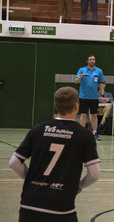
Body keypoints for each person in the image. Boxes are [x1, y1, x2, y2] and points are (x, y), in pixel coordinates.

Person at [9, 87, 100, 221]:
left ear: (55, 105)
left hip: (29, 206)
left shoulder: (37, 129)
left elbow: (14, 163)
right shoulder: (84, 135)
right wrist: (79, 186)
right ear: (76, 106)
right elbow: (94, 174)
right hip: (60, 209)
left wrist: (33, 181)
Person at [75, 55, 105, 141]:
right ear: (87, 61)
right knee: (83, 114)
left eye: (93, 59)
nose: (92, 61)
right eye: (90, 59)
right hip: (83, 97)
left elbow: (101, 83)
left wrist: (102, 95)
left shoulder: (99, 71)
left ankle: (94, 133)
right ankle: (82, 133)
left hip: (94, 97)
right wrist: (80, 77)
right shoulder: (82, 70)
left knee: (94, 115)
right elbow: (75, 81)